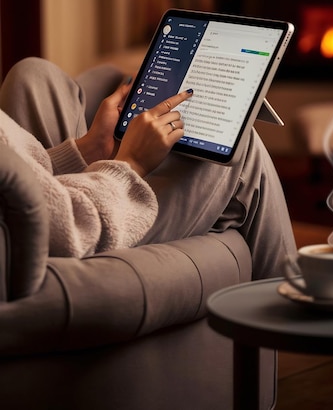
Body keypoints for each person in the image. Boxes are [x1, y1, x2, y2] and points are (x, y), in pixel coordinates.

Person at [0, 57, 297, 279]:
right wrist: (130, 164)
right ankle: (290, 300)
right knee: (233, 141)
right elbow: (61, 229)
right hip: (77, 232)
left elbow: (16, 183)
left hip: (43, 196)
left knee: (34, 73)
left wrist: (88, 149)